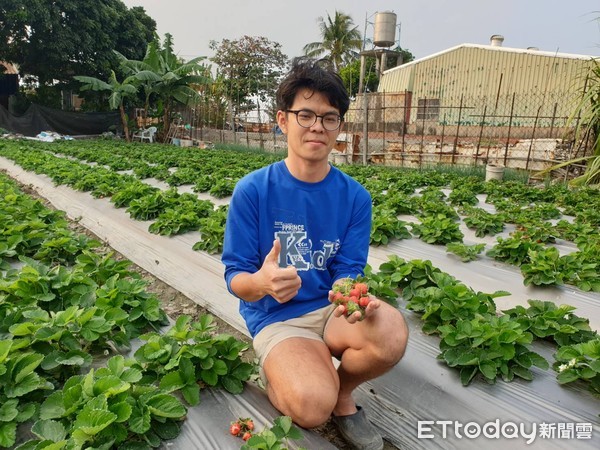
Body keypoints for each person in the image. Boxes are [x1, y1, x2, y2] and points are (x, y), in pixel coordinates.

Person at [222, 57, 408, 450]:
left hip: (330, 311)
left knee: (390, 332)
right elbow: (235, 276)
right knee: (309, 408)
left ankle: (342, 393)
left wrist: (349, 292)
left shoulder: (355, 197)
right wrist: (260, 282)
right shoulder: (253, 190)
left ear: (339, 126)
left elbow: (348, 267)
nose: (317, 126)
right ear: (283, 120)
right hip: (279, 318)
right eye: (305, 114)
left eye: (329, 117)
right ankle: (292, 371)